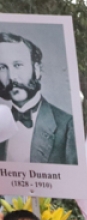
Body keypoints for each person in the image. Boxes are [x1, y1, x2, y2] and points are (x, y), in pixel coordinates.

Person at [0, 32, 77, 165]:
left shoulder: (67, 126)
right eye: (2, 67)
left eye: (18, 65)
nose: (11, 77)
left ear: (37, 69)